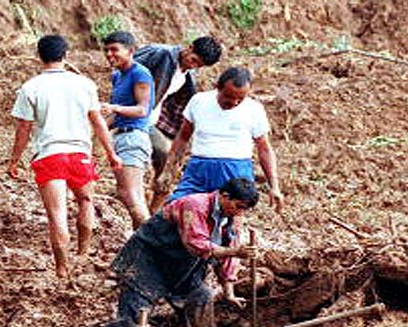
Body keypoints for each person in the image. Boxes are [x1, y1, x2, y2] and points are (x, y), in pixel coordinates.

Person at [111, 177, 259, 327]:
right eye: (238, 206)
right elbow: (196, 244)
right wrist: (234, 251)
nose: (240, 212)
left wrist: (229, 290)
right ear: (224, 195)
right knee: (136, 311)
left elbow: (229, 253)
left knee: (201, 296)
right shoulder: (194, 205)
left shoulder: (232, 218)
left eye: (245, 209)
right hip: (148, 260)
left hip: (183, 266)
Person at [8, 34, 120, 277]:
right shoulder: (84, 84)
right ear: (66, 55)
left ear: (39, 56)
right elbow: (98, 122)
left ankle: (61, 268)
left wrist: (14, 160)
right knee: (85, 201)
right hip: (80, 153)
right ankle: (83, 253)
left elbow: (23, 129)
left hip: (49, 155)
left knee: (57, 213)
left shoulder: (30, 87)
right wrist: (111, 153)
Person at [155, 67, 283, 210]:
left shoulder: (253, 109)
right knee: (176, 208)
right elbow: (183, 138)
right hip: (199, 168)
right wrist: (168, 170)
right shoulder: (199, 101)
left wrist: (274, 186)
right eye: (229, 97)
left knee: (228, 219)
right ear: (218, 88)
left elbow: (264, 148)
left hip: (236, 170)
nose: (234, 103)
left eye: (240, 99)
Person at [133, 36, 223, 212]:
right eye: (194, 60)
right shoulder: (161, 54)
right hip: (133, 116)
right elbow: (126, 67)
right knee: (144, 159)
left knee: (167, 161)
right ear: (189, 48)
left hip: (149, 120)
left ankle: (153, 210)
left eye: (199, 65)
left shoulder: (187, 74)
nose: (193, 66)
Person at [99, 31, 155, 227]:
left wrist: (114, 108)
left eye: (115, 50)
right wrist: (98, 128)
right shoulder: (118, 76)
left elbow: (142, 109)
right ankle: (144, 245)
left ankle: (150, 242)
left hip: (133, 137)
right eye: (106, 50)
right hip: (122, 136)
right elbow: (119, 115)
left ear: (131, 51)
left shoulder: (140, 74)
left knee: (128, 194)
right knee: (135, 196)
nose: (109, 54)